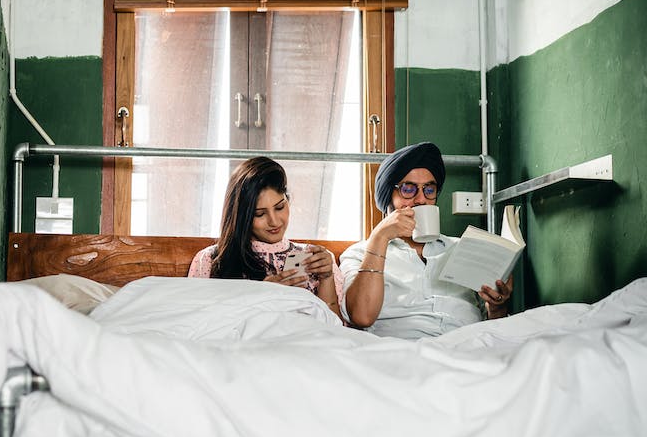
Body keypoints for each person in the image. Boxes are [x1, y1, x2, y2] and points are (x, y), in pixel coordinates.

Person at [339, 141, 513, 339]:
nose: (421, 199)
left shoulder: (463, 248)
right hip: (401, 348)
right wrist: (380, 236)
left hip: (468, 345)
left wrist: (497, 307)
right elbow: (361, 317)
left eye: (429, 190)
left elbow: (493, 328)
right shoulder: (360, 254)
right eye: (408, 189)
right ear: (388, 198)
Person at [188, 157, 345, 322]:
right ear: (242, 216)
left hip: (309, 338)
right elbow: (198, 325)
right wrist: (263, 295)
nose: (274, 221)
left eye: (280, 207)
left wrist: (327, 278)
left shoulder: (317, 259)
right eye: (260, 214)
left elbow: (336, 329)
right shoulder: (210, 260)